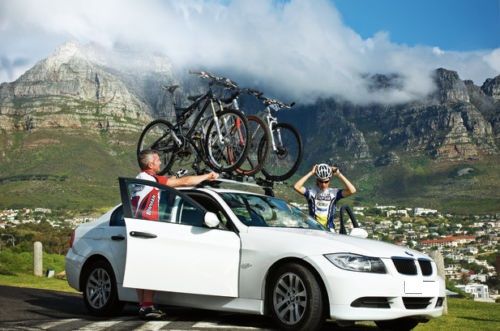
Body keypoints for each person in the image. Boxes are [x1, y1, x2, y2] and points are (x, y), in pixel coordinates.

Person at [132, 149, 219, 320]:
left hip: (137, 227)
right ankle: (148, 306)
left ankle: (143, 305)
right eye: (157, 160)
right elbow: (183, 182)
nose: (160, 162)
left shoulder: (138, 180)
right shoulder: (151, 179)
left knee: (141, 268)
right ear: (150, 165)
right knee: (150, 268)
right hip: (148, 228)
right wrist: (206, 176)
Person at [293, 164, 356, 230]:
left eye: (326, 181)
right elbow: (296, 187)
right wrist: (311, 173)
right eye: (321, 181)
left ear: (329, 181)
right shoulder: (311, 192)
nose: (323, 184)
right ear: (317, 180)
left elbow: (352, 190)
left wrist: (339, 174)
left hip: (329, 230)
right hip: (313, 229)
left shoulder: (334, 193)